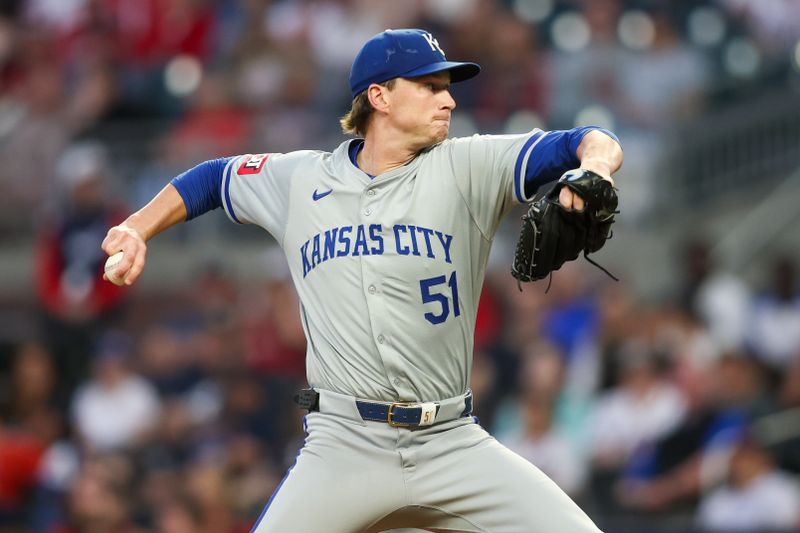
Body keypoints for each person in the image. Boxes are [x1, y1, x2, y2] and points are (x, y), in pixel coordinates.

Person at [102, 29, 623, 532]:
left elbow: (585, 141)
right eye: (430, 87)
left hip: (451, 442)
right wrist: (135, 227)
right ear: (380, 97)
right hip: (343, 445)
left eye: (448, 88)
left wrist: (594, 169)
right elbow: (211, 179)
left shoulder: (469, 165)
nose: (449, 102)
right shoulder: (300, 180)